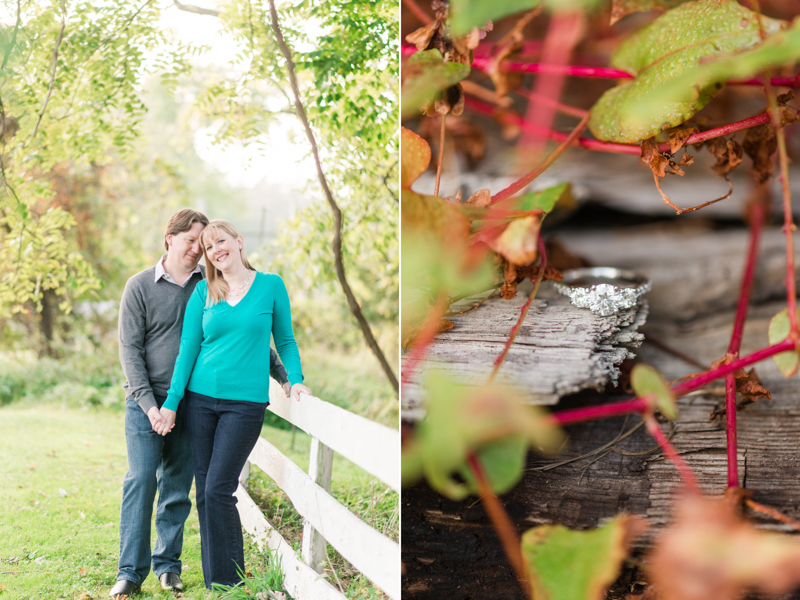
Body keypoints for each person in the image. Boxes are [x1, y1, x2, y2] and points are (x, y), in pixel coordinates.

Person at [112, 210, 291, 599]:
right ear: (169, 239)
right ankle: (129, 571)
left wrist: (285, 376)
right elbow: (130, 351)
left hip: (188, 400)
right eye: (191, 241)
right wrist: (150, 405)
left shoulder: (210, 283)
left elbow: (251, 335)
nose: (199, 250)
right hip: (148, 400)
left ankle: (168, 567)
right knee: (142, 480)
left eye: (204, 243)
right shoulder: (140, 286)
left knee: (178, 486)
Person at [157, 219, 311, 590]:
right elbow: (188, 350)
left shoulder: (271, 285)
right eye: (209, 247)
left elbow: (285, 340)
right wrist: (173, 402)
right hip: (199, 401)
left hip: (245, 404)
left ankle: (230, 584)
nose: (215, 250)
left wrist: (296, 379)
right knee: (206, 491)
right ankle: (218, 584)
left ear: (239, 242)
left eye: (220, 241)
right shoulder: (204, 292)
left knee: (218, 489)